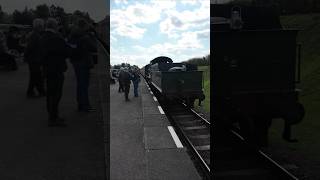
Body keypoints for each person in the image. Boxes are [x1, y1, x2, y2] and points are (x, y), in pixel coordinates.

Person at [40, 18, 70, 126]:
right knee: (56, 94)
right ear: (54, 26)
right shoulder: (57, 38)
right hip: (57, 69)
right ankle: (53, 118)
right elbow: (67, 52)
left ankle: (52, 116)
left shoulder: (42, 37)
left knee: (50, 94)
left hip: (47, 69)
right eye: (57, 25)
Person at [68, 18, 97, 112]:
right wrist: (92, 36)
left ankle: (80, 105)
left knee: (80, 85)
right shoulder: (85, 36)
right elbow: (94, 47)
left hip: (76, 62)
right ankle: (85, 106)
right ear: (84, 26)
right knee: (84, 85)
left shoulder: (72, 35)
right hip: (84, 63)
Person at [24, 18, 46, 98]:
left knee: (35, 76)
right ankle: (35, 92)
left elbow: (29, 47)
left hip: (34, 58)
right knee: (36, 76)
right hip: (34, 59)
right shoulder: (35, 35)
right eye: (42, 26)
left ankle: (36, 91)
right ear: (39, 26)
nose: (43, 27)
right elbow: (30, 47)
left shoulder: (35, 34)